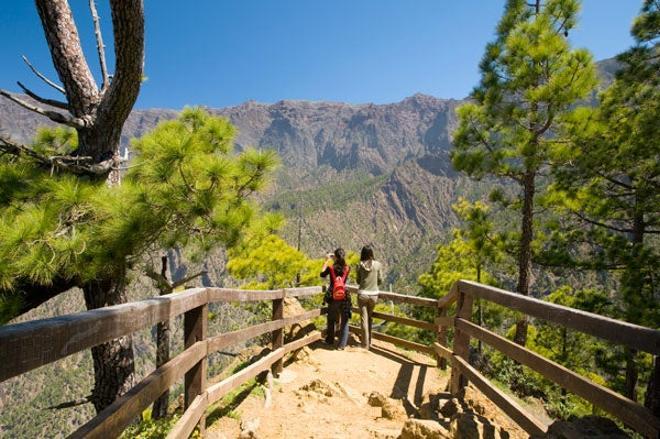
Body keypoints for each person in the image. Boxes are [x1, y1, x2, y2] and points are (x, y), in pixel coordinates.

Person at [321, 248, 351, 350]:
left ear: (335, 257)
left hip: (333, 296)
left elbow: (322, 275)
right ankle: (342, 345)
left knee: (331, 319)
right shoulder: (347, 268)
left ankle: (330, 340)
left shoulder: (331, 268)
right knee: (345, 320)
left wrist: (326, 260)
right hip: (344, 297)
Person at [356, 245, 383, 349]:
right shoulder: (378, 265)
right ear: (372, 253)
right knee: (369, 318)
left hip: (362, 294)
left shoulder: (359, 265)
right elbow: (380, 280)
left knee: (364, 319)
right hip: (374, 295)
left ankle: (364, 345)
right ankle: (369, 341)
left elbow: (358, 281)